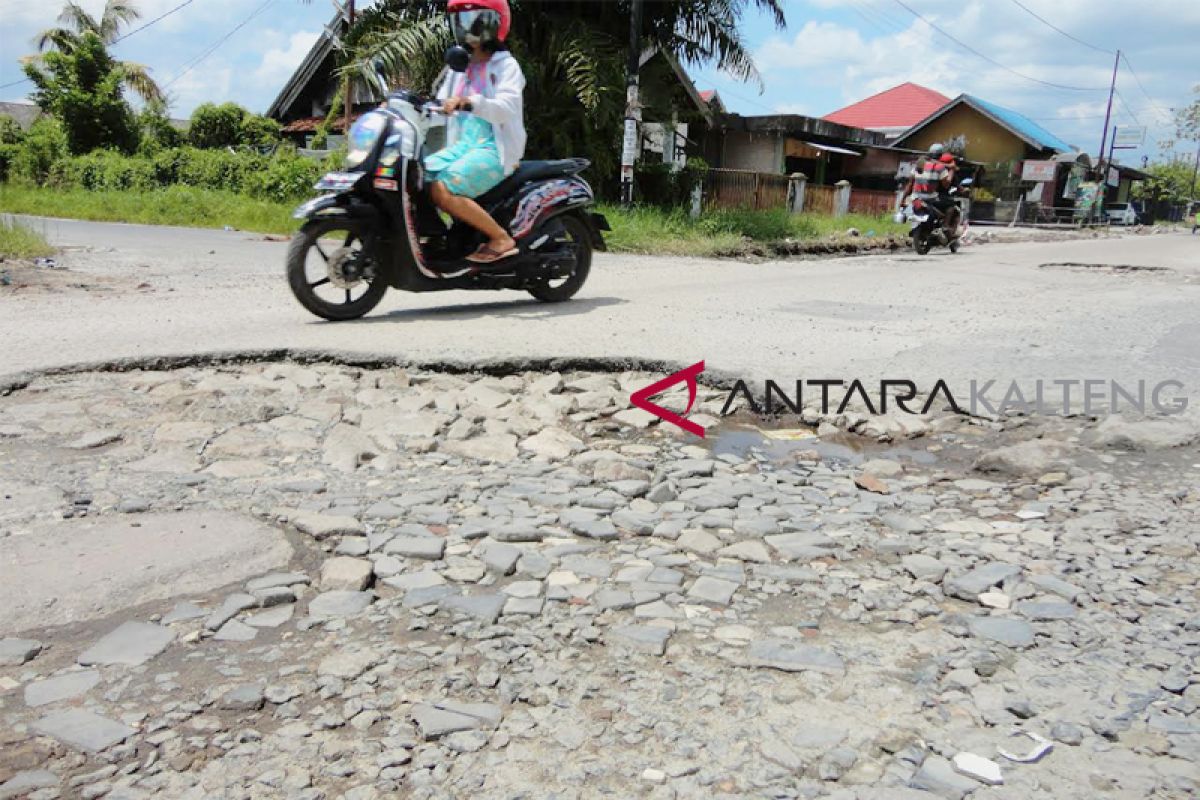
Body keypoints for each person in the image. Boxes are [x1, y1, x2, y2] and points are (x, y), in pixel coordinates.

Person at [426, 0, 527, 264]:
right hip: (463, 147)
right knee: (415, 175)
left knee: (441, 188)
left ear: (495, 23)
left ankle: (501, 238)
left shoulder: (506, 66)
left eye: (475, 18)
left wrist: (470, 102)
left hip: (494, 149)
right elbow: (439, 103)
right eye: (461, 19)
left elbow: (506, 107)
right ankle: (436, 238)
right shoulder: (459, 67)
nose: (468, 27)